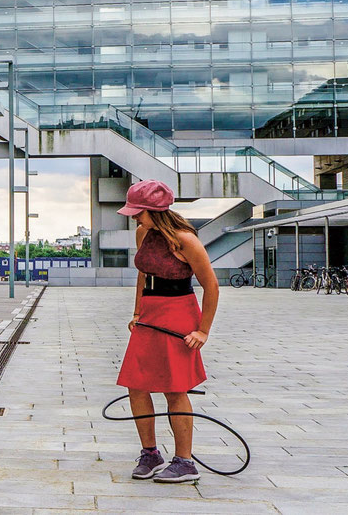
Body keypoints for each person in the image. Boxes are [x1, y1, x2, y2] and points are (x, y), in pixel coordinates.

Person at [116, 179, 219, 484]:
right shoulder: (143, 233)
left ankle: (185, 462)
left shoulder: (186, 239)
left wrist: (202, 331)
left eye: (138, 212)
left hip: (179, 315)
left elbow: (211, 286)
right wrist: (137, 311)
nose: (134, 217)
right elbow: (143, 275)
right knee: (136, 384)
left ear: (154, 210)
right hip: (150, 314)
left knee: (174, 389)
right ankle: (151, 454)